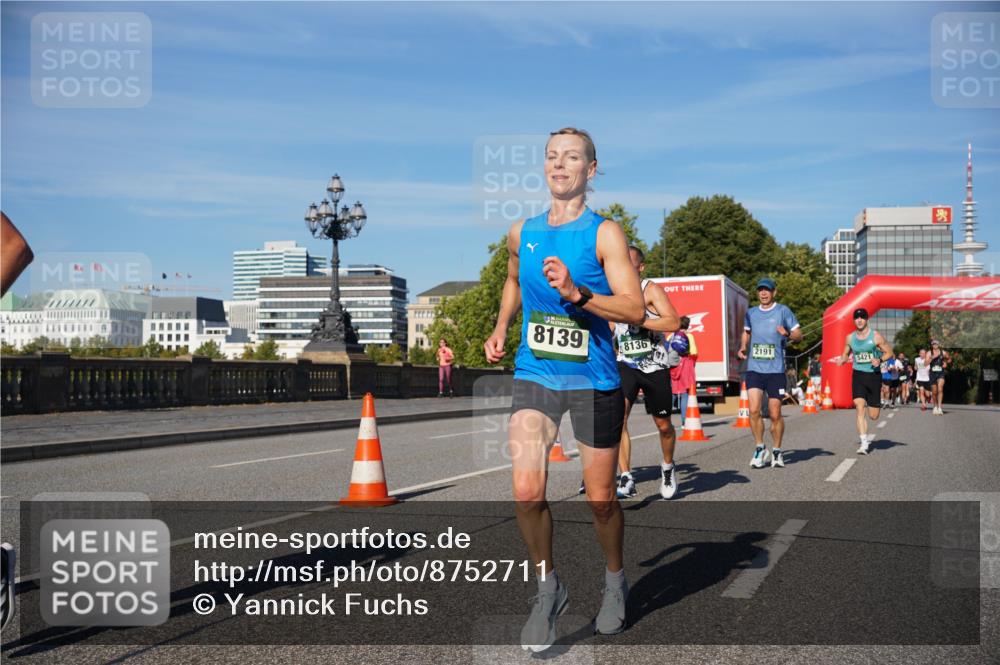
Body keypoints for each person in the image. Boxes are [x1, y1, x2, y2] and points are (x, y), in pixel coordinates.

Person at [483, 127, 644, 651]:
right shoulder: (521, 231)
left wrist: (580, 294)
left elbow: (634, 308)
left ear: (590, 170)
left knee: (600, 500)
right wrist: (503, 325)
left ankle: (614, 582)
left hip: (593, 377)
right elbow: (512, 278)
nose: (559, 165)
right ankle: (547, 588)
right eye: (552, 157)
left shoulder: (605, 235)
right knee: (528, 491)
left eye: (571, 157)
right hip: (537, 372)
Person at [608, 246, 680, 500]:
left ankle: (668, 467)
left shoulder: (650, 290)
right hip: (626, 364)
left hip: (655, 366)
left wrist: (642, 321)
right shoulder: (612, 293)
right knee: (619, 419)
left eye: (629, 263)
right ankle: (626, 477)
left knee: (663, 426)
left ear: (640, 267)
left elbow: (673, 322)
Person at [738, 277, 802, 469]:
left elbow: (799, 336)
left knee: (775, 414)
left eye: (767, 290)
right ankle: (759, 447)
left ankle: (776, 451)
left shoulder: (783, 311)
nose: (763, 293)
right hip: (755, 368)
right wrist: (743, 346)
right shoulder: (751, 313)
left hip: (775, 371)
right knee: (754, 410)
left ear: (774, 292)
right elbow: (746, 332)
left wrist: (787, 334)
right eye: (760, 290)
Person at [834, 308, 893, 454]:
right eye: (857, 318)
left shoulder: (876, 336)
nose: (859, 320)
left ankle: (872, 404)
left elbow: (890, 353)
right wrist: (841, 360)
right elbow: (845, 354)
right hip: (858, 375)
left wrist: (879, 360)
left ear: (866, 320)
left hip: (873, 376)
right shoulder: (850, 338)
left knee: (873, 416)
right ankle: (864, 443)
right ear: (854, 320)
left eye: (862, 318)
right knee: (859, 408)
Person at [669, 318, 697, 426]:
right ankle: (684, 422)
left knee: (673, 394)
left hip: (673, 367)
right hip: (685, 366)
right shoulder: (689, 336)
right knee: (685, 394)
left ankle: (667, 420)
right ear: (688, 325)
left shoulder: (672, 335)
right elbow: (694, 353)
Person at [928, 339, 951, 415]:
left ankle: (940, 407)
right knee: (934, 392)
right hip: (932, 373)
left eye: (936, 344)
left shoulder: (943, 352)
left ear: (938, 345)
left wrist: (946, 363)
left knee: (940, 389)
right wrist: (931, 358)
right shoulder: (929, 353)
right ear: (932, 345)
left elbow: (949, 359)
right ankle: (935, 406)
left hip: (941, 373)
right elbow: (925, 363)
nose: (935, 345)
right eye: (934, 344)